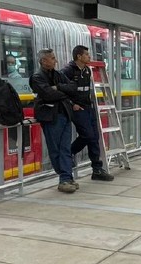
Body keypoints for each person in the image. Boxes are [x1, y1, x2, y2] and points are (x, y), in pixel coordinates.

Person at [29, 48, 80, 193]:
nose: (55, 60)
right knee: (55, 148)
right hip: (51, 117)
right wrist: (64, 94)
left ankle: (66, 178)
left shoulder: (58, 75)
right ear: (43, 61)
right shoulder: (37, 77)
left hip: (65, 114)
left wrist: (58, 87)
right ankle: (64, 178)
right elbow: (48, 94)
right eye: (52, 58)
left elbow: (73, 87)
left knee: (65, 148)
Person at [62, 45, 114, 182]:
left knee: (94, 137)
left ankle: (97, 169)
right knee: (88, 135)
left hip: (88, 107)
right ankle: (70, 152)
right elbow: (61, 91)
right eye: (86, 55)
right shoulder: (67, 71)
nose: (89, 57)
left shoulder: (86, 70)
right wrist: (73, 105)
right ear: (79, 56)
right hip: (77, 109)